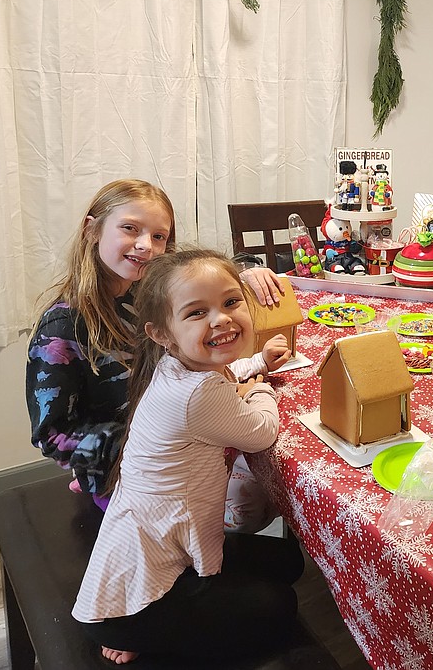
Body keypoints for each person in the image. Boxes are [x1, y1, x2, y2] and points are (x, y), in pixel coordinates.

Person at [72, 248, 302, 664]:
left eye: (231, 302)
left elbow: (218, 371)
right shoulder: (197, 394)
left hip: (152, 545)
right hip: (136, 590)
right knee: (281, 606)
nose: (221, 319)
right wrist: (261, 389)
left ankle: (148, 620)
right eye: (197, 312)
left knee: (287, 561)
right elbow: (263, 432)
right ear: (162, 332)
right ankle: (137, 630)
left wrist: (256, 363)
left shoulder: (174, 365)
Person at [25, 179, 283, 514]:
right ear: (93, 230)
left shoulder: (142, 295)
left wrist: (245, 274)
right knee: (254, 502)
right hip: (138, 478)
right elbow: (52, 435)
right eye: (130, 229)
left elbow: (196, 276)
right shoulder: (62, 328)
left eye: (159, 236)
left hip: (182, 448)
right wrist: (139, 445)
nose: (146, 245)